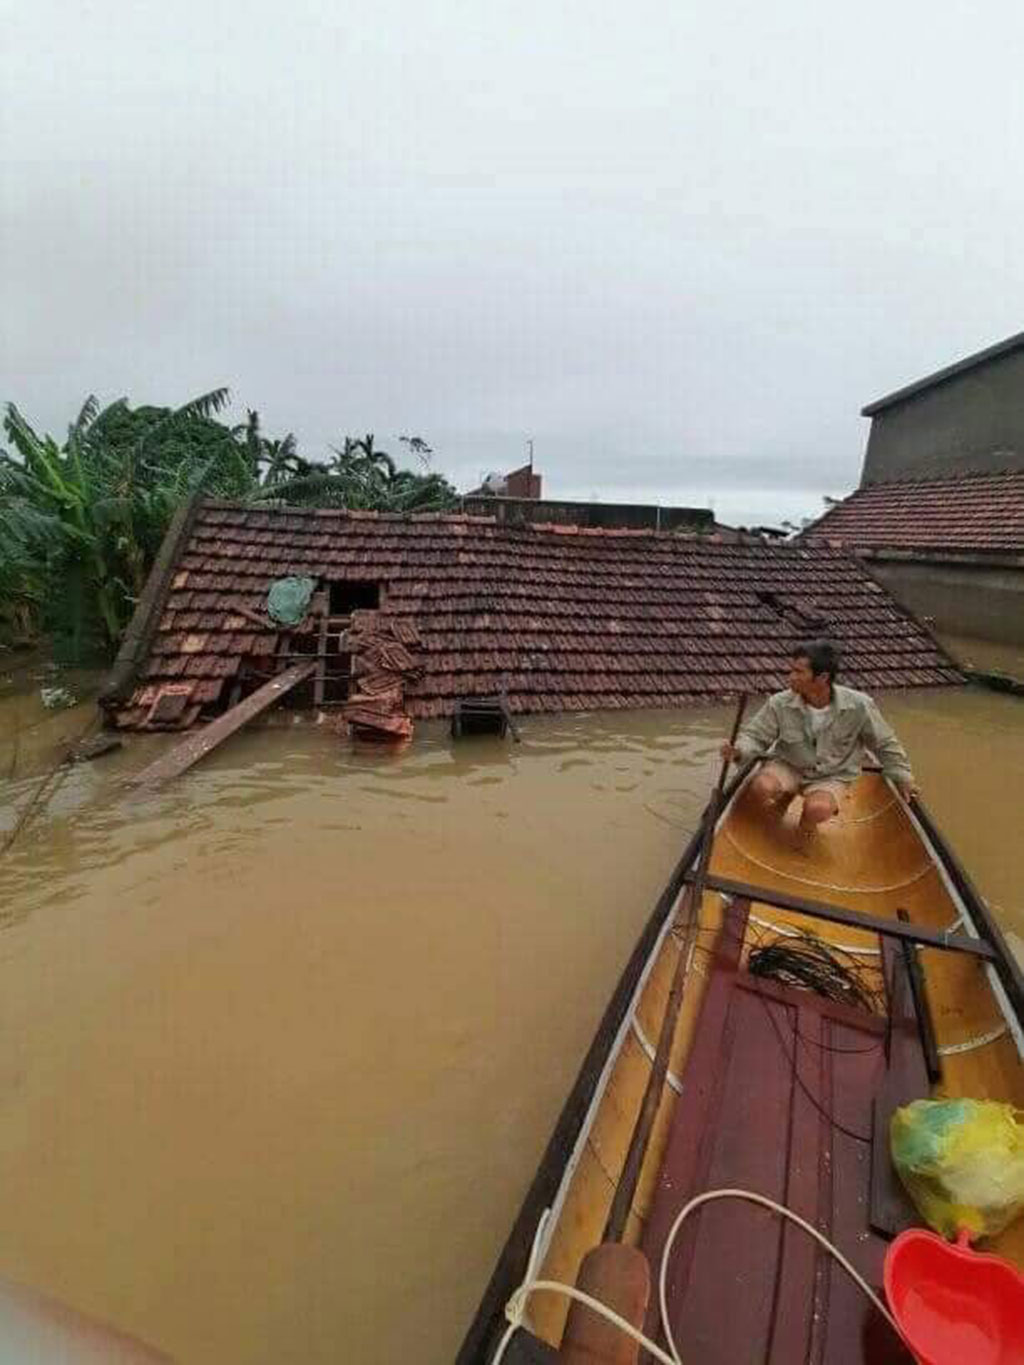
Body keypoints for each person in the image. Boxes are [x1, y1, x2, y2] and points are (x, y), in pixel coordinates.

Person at [721, 639, 918, 839]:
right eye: (792, 670)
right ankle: (777, 806)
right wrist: (739, 751)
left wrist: (902, 776)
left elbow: (884, 743)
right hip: (789, 765)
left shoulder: (860, 705)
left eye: (799, 672)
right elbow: (755, 737)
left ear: (822, 677)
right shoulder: (779, 702)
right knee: (761, 787)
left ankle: (804, 831)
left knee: (818, 809)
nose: (791, 677)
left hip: (831, 774)